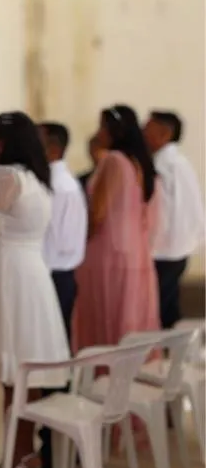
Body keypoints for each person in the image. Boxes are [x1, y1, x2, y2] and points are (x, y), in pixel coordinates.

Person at [0, 111, 70, 468]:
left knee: (15, 377)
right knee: (25, 375)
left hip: (10, 276)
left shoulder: (4, 176)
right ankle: (23, 454)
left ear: (5, 142)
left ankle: (15, 461)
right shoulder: (35, 180)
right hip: (32, 276)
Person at [73, 105, 160, 352]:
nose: (98, 133)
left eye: (102, 127)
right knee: (130, 319)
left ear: (115, 131)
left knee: (106, 319)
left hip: (107, 252)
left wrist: (81, 243)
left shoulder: (113, 161)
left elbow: (98, 213)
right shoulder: (141, 164)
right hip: (136, 251)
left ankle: (104, 380)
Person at [36, 121, 88, 468]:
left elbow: (53, 243)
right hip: (60, 276)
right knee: (52, 362)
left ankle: (56, 451)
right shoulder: (62, 182)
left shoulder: (57, 185)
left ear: (52, 147)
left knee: (53, 366)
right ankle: (54, 449)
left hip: (54, 278)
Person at [144, 110, 204, 329]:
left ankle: (169, 353)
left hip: (165, 248)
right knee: (168, 303)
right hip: (179, 246)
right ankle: (175, 353)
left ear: (164, 133)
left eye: (147, 128)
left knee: (160, 307)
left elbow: (164, 212)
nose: (142, 133)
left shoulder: (163, 166)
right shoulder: (179, 162)